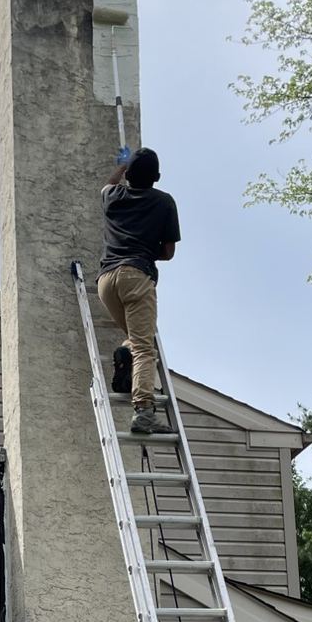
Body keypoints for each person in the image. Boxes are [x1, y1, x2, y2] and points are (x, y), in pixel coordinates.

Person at [96, 146, 180, 435]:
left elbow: (107, 184)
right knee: (146, 347)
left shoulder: (113, 196)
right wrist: (145, 249)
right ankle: (144, 412)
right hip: (136, 276)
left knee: (134, 339)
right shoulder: (164, 202)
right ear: (157, 177)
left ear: (128, 173)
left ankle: (123, 358)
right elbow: (168, 252)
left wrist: (120, 165)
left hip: (106, 281)